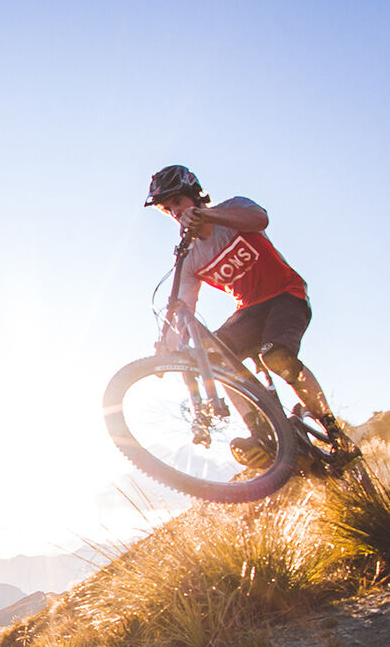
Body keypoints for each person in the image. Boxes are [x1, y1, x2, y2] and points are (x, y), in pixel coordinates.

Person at [143, 164, 358, 467]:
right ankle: (264, 436)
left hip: (286, 295)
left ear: (194, 194)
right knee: (215, 358)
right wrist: (166, 346)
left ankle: (335, 433)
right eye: (167, 209)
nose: (175, 212)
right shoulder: (189, 255)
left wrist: (207, 216)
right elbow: (183, 308)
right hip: (249, 311)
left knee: (277, 356)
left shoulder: (233, 209)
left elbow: (260, 219)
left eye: (177, 202)